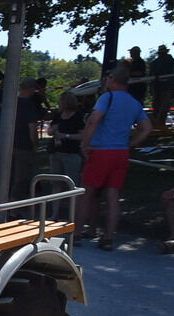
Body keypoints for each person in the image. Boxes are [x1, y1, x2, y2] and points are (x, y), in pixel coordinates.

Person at [75, 64, 152, 250]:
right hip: (120, 153)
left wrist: (85, 143)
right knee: (113, 194)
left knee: (87, 193)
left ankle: (76, 233)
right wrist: (130, 144)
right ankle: (108, 237)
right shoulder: (134, 103)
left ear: (113, 80)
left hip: (102, 150)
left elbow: (93, 120)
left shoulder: (106, 98)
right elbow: (147, 128)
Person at [47, 91, 85, 220]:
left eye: (60, 101)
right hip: (56, 153)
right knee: (56, 185)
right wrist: (51, 131)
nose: (58, 103)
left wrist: (67, 136)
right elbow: (50, 129)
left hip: (71, 154)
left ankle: (73, 215)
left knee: (72, 185)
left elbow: (83, 135)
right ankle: (54, 214)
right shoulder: (58, 116)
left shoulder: (77, 116)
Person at [11, 78, 40, 207]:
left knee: (8, 177)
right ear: (30, 89)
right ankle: (14, 208)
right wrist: (35, 144)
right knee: (20, 178)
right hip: (23, 146)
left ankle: (5, 204)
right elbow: (32, 128)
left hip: (9, 145)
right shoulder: (29, 105)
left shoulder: (11, 103)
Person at [151, 45, 174, 129]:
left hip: (164, 86)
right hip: (161, 86)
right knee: (159, 107)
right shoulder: (170, 61)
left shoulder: (156, 62)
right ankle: (158, 124)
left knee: (161, 107)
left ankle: (159, 123)